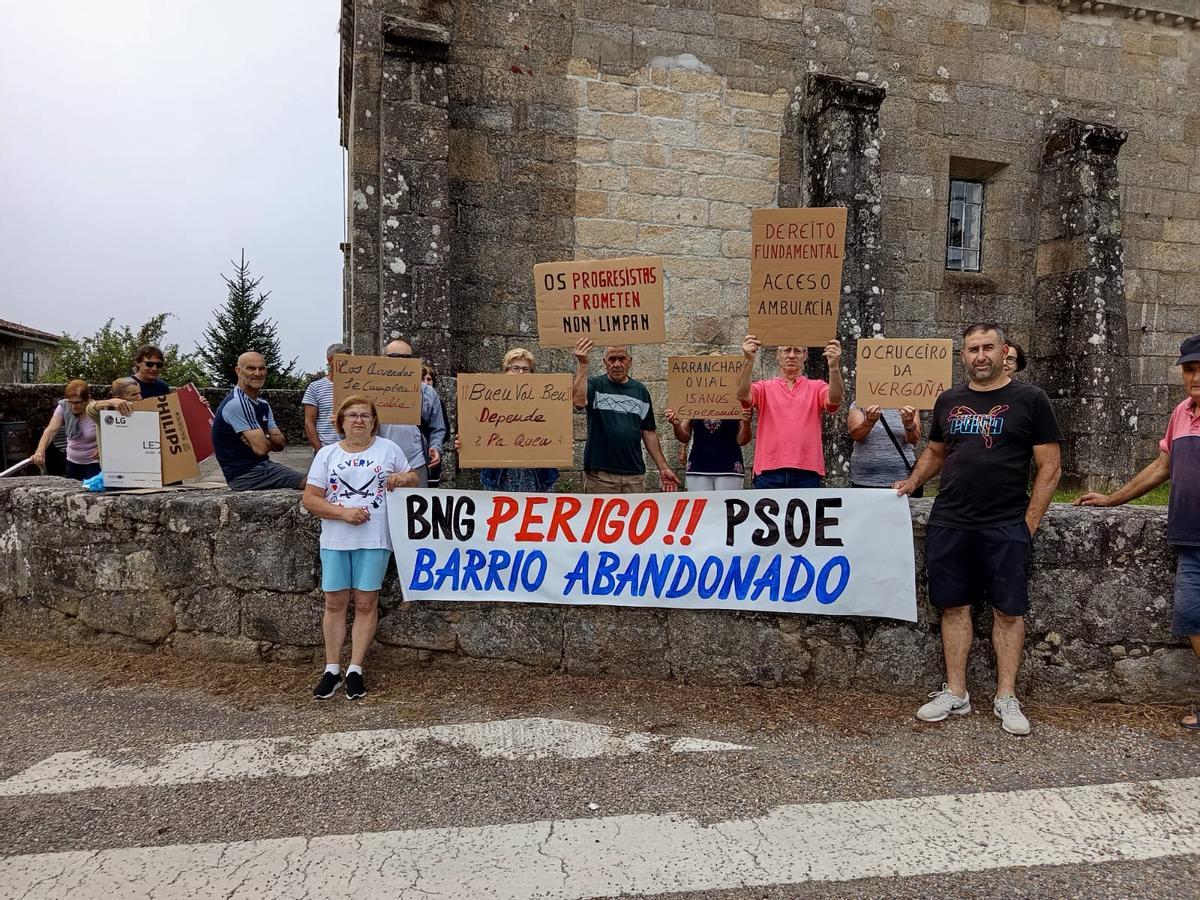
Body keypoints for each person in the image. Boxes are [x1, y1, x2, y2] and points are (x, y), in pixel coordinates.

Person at [895, 323, 1062, 737]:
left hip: (1006, 523)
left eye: (988, 347)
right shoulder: (949, 400)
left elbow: (1050, 467)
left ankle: (1006, 696)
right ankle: (956, 692)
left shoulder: (1031, 399)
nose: (981, 356)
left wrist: (1029, 525)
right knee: (953, 607)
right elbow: (936, 451)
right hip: (951, 520)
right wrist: (913, 482)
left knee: (1008, 611)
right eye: (973, 349)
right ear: (963, 356)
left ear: (1004, 352)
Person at [1075, 333, 1200, 730]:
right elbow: (1161, 468)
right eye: (1190, 370)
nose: (1196, 377)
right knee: (1191, 617)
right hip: (1190, 540)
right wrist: (1113, 500)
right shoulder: (1181, 412)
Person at [303, 395, 416, 700]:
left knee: (366, 603)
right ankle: (331, 669)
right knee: (334, 603)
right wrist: (342, 513)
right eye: (352, 415)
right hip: (336, 540)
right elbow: (310, 498)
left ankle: (355, 668)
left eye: (365, 415)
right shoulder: (327, 454)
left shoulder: (388, 449)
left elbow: (413, 478)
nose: (358, 420)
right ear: (341, 421)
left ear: (374, 422)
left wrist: (402, 478)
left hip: (375, 538)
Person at [571, 339, 679, 493]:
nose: (617, 364)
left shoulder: (640, 390)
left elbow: (648, 431)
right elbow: (578, 402)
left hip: (633, 476)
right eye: (612, 359)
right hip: (600, 476)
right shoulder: (595, 385)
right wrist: (583, 364)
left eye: (622, 359)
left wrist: (663, 468)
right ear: (604, 362)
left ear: (630, 361)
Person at [736, 335, 844, 488]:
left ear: (805, 355)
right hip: (769, 471)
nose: (792, 355)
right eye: (786, 350)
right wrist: (748, 360)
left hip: (807, 471)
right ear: (778, 355)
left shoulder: (817, 387)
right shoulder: (763, 387)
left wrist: (834, 367)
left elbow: (835, 400)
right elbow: (742, 396)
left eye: (797, 351)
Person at [455, 347, 559, 493]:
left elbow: (555, 431)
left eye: (526, 369)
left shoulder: (547, 401)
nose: (521, 373)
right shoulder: (487, 400)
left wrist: (561, 443)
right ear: (506, 371)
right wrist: (466, 443)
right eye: (515, 368)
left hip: (537, 477)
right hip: (499, 476)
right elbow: (476, 432)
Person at [212, 351, 306, 491]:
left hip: (261, 467)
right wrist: (266, 439)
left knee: (318, 480)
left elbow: (280, 444)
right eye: (251, 368)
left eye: (261, 368)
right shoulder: (237, 403)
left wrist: (263, 438)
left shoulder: (263, 405)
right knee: (312, 485)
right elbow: (262, 449)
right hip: (246, 475)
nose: (257, 373)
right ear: (238, 371)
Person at [376, 338, 446, 487]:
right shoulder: (371, 389)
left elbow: (438, 427)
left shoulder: (428, 392)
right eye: (395, 356)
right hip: (379, 461)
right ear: (384, 358)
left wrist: (435, 447)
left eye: (406, 357)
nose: (401, 361)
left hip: (416, 462)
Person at [664, 407, 750, 491]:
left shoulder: (737, 402)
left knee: (727, 501)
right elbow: (684, 437)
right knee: (700, 501)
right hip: (698, 467)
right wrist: (676, 425)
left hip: (730, 468)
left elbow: (742, 441)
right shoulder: (694, 402)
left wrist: (746, 423)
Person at [32, 380, 99, 480]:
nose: (73, 406)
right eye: (70, 402)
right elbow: (51, 430)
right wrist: (40, 451)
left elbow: (111, 433)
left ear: (88, 399)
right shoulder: (64, 406)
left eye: (77, 403)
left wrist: (102, 448)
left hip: (93, 462)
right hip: (72, 461)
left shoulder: (96, 410)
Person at [848, 403, 922, 493]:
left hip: (902, 477)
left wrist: (909, 424)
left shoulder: (909, 404)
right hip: (864, 477)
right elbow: (856, 435)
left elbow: (913, 440)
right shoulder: (860, 403)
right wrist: (869, 421)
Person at [303, 342, 350, 451]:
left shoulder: (358, 387)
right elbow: (309, 422)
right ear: (330, 360)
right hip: (327, 448)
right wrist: (319, 451)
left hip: (355, 449)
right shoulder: (315, 387)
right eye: (342, 360)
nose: (346, 364)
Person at [84, 377, 144, 458]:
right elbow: (90, 409)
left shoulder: (142, 410)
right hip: (114, 462)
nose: (140, 397)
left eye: (139, 393)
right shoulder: (106, 414)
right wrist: (111, 402)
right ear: (117, 398)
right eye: (134, 395)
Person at [420, 362, 448, 488]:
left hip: (425, 456)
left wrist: (435, 446)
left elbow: (441, 428)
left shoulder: (435, 399)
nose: (426, 382)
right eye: (422, 379)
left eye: (429, 379)